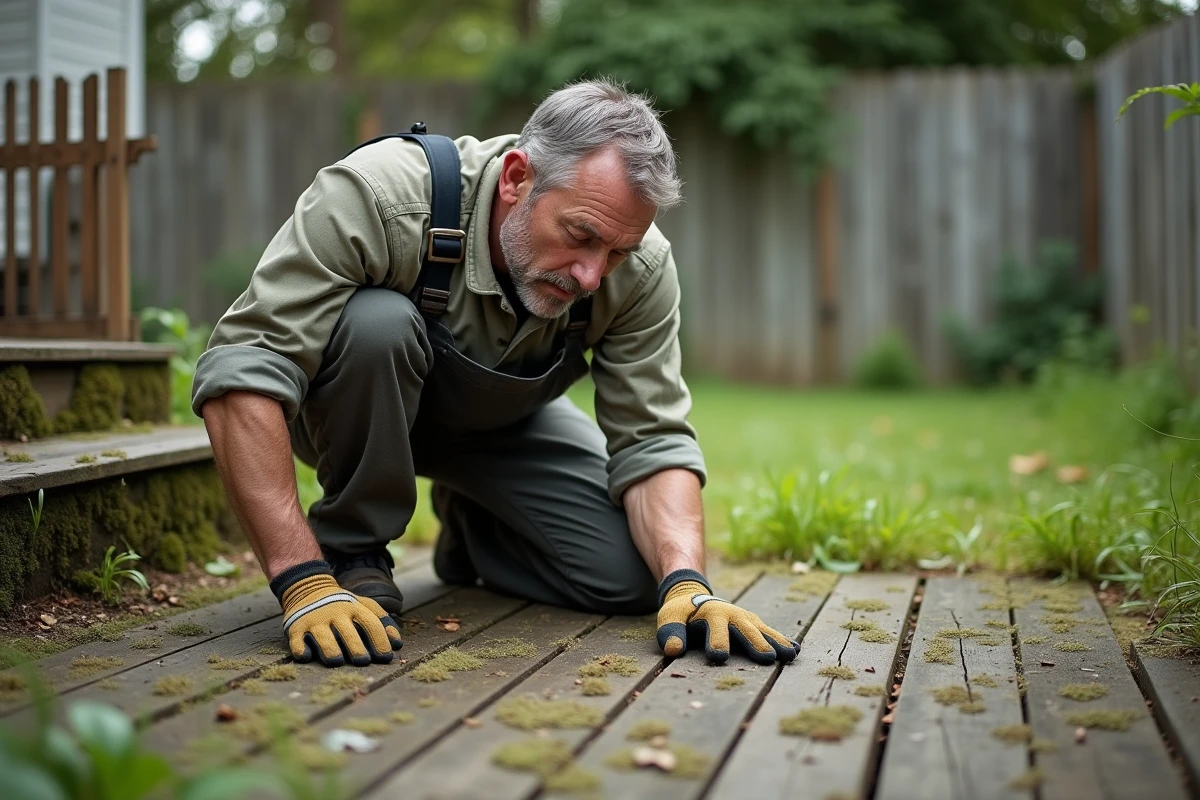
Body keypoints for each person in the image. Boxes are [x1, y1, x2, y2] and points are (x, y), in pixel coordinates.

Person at [192, 78, 799, 669]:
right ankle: (352, 554)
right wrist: (301, 580)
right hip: (355, 406)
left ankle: (475, 525)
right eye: (580, 235)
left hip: (501, 426)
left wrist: (688, 582)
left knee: (632, 581)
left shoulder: (639, 267)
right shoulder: (382, 195)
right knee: (377, 323)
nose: (592, 275)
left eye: (614, 252)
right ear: (516, 178)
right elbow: (244, 368)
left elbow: (653, 438)